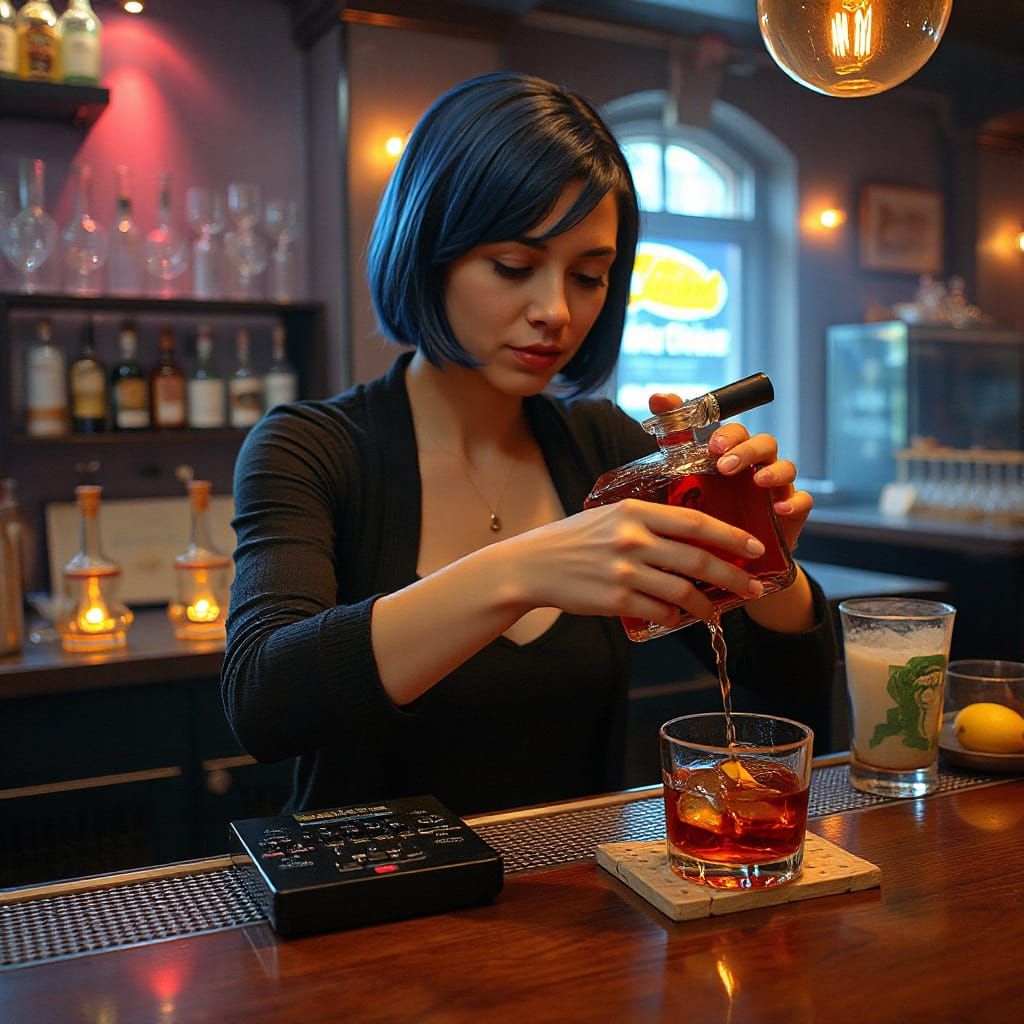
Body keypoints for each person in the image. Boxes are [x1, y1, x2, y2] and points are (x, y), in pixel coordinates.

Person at [222, 72, 836, 816]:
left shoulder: (604, 447)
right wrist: (520, 571)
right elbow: (265, 702)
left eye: (589, 276)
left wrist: (766, 562)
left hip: (579, 906)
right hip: (374, 916)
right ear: (429, 251)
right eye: (513, 267)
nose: (555, 311)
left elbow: (792, 692)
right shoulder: (312, 448)